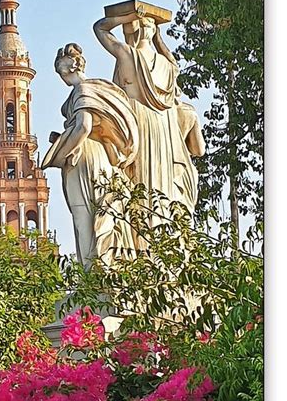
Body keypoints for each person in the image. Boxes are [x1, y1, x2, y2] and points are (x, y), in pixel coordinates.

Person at [93, 14, 205, 218]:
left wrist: (130, 14)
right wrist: (158, 39)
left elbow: (100, 28)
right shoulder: (169, 67)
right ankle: (163, 227)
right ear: (152, 32)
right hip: (163, 126)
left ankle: (142, 235)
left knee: (139, 178)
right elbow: (172, 61)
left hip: (138, 120)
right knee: (162, 181)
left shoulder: (127, 55)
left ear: (134, 31)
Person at [42, 43, 139, 268]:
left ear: (70, 67)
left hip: (84, 156)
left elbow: (84, 127)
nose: (61, 77)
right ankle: (105, 267)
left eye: (60, 72)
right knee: (101, 208)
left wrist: (62, 153)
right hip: (99, 155)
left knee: (83, 214)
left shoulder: (83, 90)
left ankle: (92, 275)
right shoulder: (100, 89)